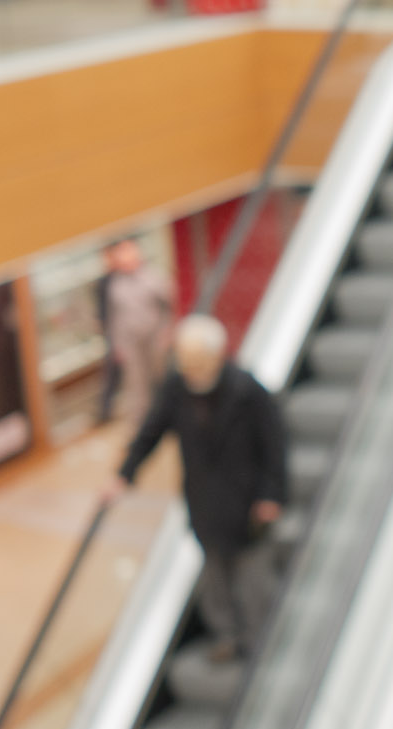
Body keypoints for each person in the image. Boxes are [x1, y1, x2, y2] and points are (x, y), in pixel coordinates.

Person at [105, 315, 288, 663]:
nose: (194, 372)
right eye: (188, 364)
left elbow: (274, 447)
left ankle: (260, 640)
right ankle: (228, 636)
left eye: (200, 363)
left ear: (219, 356)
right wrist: (124, 474)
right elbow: (151, 432)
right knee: (215, 578)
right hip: (204, 503)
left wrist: (271, 495)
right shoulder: (176, 390)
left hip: (247, 504)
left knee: (252, 579)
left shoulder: (248, 392)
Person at [96, 237, 175, 425]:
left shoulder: (153, 276)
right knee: (137, 387)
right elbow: (113, 319)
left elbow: (169, 306)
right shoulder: (115, 285)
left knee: (163, 379)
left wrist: (167, 331)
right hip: (130, 343)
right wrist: (117, 346)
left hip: (155, 338)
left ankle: (171, 419)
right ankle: (141, 426)